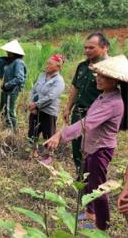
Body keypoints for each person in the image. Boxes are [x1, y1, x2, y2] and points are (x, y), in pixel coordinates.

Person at [44, 55, 128, 230]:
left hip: (101, 150)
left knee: (98, 188)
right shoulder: (105, 95)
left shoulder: (113, 102)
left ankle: (102, 226)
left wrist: (60, 134)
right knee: (90, 183)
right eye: (98, 74)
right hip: (92, 147)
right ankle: (90, 213)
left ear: (115, 80)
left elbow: (87, 123)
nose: (98, 78)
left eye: (103, 76)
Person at [63, 32, 109, 173]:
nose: (87, 51)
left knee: (93, 150)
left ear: (104, 47)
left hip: (96, 116)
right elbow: (76, 87)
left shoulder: (109, 69)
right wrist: (68, 107)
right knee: (76, 147)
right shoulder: (82, 66)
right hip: (78, 112)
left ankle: (91, 181)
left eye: (91, 48)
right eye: (86, 48)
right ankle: (80, 176)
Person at [28, 54, 65, 162]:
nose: (47, 65)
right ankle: (32, 152)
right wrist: (31, 103)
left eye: (50, 63)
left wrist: (37, 104)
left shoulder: (59, 81)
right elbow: (34, 90)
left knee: (48, 134)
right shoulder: (42, 75)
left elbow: (51, 97)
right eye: (47, 63)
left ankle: (47, 158)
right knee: (32, 132)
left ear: (58, 67)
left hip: (48, 112)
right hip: (35, 110)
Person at [0, 39, 26, 132]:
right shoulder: (11, 61)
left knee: (9, 112)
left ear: (13, 52)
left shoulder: (18, 62)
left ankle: (13, 133)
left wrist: (6, 85)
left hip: (12, 91)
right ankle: (5, 130)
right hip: (6, 90)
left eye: (9, 51)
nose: (7, 52)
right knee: (3, 110)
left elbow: (20, 78)